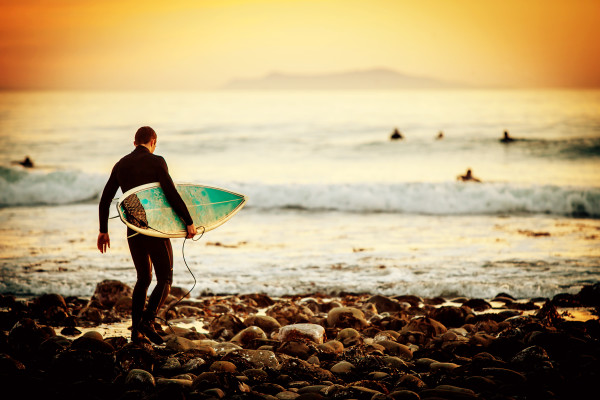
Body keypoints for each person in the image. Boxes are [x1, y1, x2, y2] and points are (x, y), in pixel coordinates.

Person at [97, 126, 197, 344]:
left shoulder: (121, 165)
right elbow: (170, 193)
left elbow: (105, 200)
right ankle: (147, 321)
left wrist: (103, 230)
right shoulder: (157, 161)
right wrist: (188, 221)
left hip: (133, 228)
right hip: (154, 227)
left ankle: (136, 333)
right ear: (153, 142)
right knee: (165, 278)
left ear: (135, 143)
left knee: (143, 278)